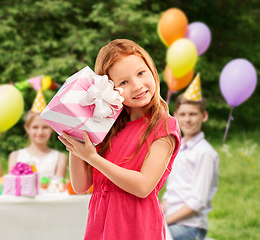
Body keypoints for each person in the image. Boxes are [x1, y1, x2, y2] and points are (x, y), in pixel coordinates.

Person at [58, 39, 181, 240]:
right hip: (101, 226)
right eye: (124, 82)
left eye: (141, 73)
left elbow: (143, 186)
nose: (137, 85)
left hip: (136, 227)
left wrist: (92, 157)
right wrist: (76, 130)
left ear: (152, 69)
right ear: (109, 89)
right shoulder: (106, 127)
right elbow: (81, 186)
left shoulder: (164, 125)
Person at [162, 76, 219, 240]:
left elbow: (197, 202)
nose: (187, 119)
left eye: (193, 114)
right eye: (183, 114)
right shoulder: (178, 149)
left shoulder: (204, 153)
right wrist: (158, 216)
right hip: (170, 222)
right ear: (176, 116)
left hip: (190, 227)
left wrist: (164, 222)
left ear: (204, 116)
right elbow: (170, 193)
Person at [8, 89, 68, 179]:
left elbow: (58, 187)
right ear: (27, 128)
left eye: (45, 127)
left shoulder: (60, 158)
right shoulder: (15, 156)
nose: (40, 132)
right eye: (35, 127)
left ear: (52, 128)